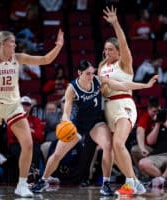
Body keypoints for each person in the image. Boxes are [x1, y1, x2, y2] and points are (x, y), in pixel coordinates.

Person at [0, 27, 64, 197]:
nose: (15, 46)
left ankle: (21, 184)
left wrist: (59, 45)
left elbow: (45, 59)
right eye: (11, 43)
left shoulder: (18, 58)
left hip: (13, 106)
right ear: (1, 44)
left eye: (15, 43)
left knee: (28, 144)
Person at [31, 59, 157, 195]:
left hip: (95, 122)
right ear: (79, 73)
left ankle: (106, 183)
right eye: (87, 74)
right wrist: (66, 122)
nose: (91, 76)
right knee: (57, 154)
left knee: (108, 146)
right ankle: (43, 180)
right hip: (78, 124)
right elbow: (66, 111)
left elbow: (122, 85)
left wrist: (145, 85)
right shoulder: (72, 88)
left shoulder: (98, 80)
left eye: (92, 73)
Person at [98, 6, 149, 195]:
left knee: (119, 144)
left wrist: (115, 24)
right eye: (105, 50)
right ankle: (136, 182)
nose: (107, 53)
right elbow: (103, 90)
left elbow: (124, 43)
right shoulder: (102, 67)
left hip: (124, 105)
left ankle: (130, 184)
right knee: (113, 149)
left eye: (111, 49)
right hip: (108, 108)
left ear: (119, 52)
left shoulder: (124, 63)